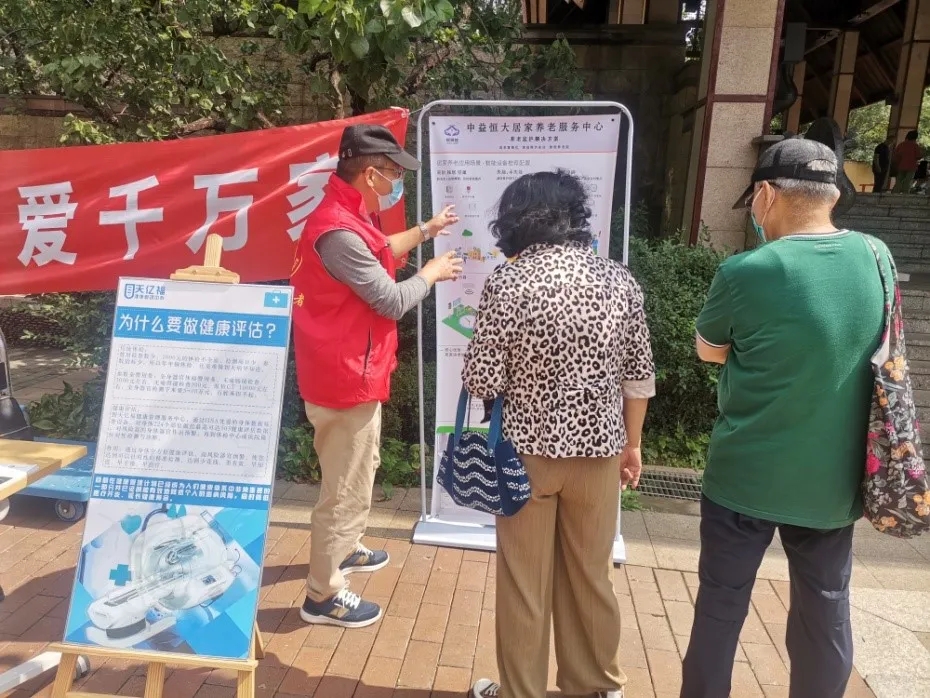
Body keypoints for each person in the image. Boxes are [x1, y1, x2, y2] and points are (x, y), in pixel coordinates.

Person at [682, 138, 893, 698]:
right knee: (825, 610)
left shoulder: (746, 270)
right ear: (834, 195)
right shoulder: (877, 257)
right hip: (831, 481)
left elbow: (709, 350)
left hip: (743, 475)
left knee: (720, 607)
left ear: (767, 194)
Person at [463, 170, 656, 698]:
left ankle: (520, 691)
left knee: (524, 582)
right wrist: (633, 444)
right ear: (575, 216)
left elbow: (482, 379)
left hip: (525, 456)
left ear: (515, 220)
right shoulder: (618, 279)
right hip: (599, 453)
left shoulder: (508, 281)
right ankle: (595, 687)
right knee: (592, 576)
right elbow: (639, 376)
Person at [290, 124, 463, 628]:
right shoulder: (338, 231)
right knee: (343, 487)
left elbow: (381, 246)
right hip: (344, 378)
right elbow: (388, 298)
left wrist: (427, 230)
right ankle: (322, 595)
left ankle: (345, 548)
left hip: (353, 370)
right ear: (370, 174)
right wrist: (431, 274)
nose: (395, 183)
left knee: (361, 468)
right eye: (392, 174)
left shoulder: (347, 216)